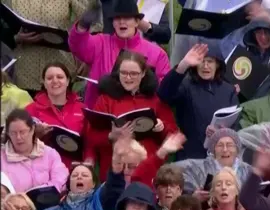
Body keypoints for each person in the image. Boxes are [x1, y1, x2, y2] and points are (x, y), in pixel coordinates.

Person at [83, 50, 177, 182]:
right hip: (115, 171)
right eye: (124, 73)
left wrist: (162, 127)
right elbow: (91, 137)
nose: (128, 78)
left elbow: (174, 135)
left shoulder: (155, 100)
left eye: (133, 74)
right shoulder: (105, 99)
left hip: (148, 170)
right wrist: (111, 136)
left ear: (143, 73)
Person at [69, 0, 170, 108]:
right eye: (117, 18)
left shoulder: (157, 53)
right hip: (101, 116)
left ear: (137, 22)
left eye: (127, 17)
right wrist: (82, 27)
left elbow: (165, 89)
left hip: (140, 118)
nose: (122, 21)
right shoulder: (100, 43)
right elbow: (77, 46)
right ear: (112, 22)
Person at [158, 43, 238, 161]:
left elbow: (236, 125)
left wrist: (222, 133)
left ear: (217, 65)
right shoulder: (185, 86)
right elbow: (164, 94)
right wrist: (183, 65)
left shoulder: (228, 90)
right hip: (191, 157)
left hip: (221, 157)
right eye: (201, 61)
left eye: (210, 61)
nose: (205, 66)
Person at [5, 0, 88, 93]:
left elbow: (91, 22)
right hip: (25, 69)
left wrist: (86, 56)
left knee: (59, 106)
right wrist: (17, 38)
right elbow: (4, 28)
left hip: (60, 67)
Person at [24, 62, 85, 169]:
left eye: (60, 77)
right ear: (44, 82)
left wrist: (88, 162)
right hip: (42, 169)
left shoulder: (82, 108)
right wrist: (36, 136)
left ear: (68, 81)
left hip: (75, 170)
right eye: (49, 78)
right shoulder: (31, 110)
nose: (55, 81)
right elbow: (19, 144)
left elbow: (90, 141)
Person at [1, 109, 68, 193]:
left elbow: (60, 179)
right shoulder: (2, 157)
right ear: (8, 133)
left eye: (22, 132)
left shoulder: (49, 153)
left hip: (48, 203)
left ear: (32, 130)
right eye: (13, 133)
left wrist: (44, 193)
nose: (18, 137)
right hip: (14, 205)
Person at [177, 128, 253, 195]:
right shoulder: (199, 167)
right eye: (220, 145)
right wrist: (194, 197)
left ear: (237, 150)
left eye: (229, 145)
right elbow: (169, 171)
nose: (225, 150)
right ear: (214, 151)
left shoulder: (248, 171)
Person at [38, 163, 105, 210]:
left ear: (94, 184)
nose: (79, 177)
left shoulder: (98, 202)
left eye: (85, 175)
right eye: (74, 175)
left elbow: (111, 188)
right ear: (69, 184)